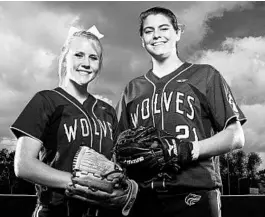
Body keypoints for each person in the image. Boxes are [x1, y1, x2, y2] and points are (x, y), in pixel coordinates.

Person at [116, 6, 247, 217]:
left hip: (195, 191)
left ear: (177, 33)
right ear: (142, 40)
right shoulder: (133, 89)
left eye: (164, 28)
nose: (156, 35)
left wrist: (186, 150)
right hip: (143, 196)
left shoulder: (205, 75)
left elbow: (236, 136)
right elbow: (119, 145)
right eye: (148, 31)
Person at [11, 26, 123, 217]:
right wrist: (81, 183)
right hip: (57, 209)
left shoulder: (108, 111)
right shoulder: (46, 100)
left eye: (93, 57)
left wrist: (122, 185)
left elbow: (117, 164)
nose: (86, 63)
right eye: (79, 55)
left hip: (101, 211)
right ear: (65, 58)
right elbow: (24, 165)